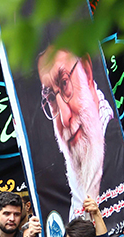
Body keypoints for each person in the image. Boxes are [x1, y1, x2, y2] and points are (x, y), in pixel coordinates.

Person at [37, 48, 112, 218]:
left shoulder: (115, 144)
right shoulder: (61, 168)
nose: (65, 118)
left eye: (64, 83)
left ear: (86, 71)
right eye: (50, 98)